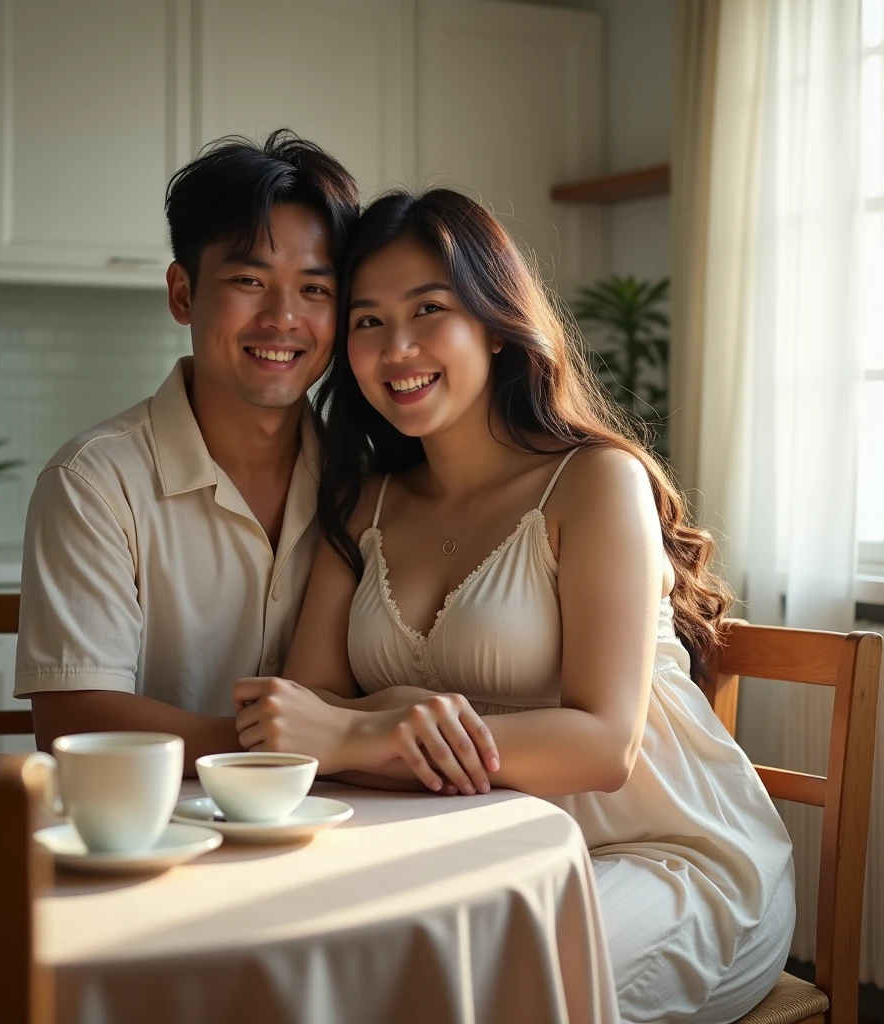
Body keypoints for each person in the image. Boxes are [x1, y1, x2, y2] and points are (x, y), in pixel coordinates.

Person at [232, 189, 796, 1023]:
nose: (399, 348)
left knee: (485, 992)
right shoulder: (366, 506)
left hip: (661, 858)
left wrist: (370, 725)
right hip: (478, 851)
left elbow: (603, 744)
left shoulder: (597, 483)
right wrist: (354, 721)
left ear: (496, 324)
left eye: (431, 310)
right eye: (369, 321)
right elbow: (300, 719)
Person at [14, 131, 359, 772]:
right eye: (250, 279)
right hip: (150, 834)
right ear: (182, 293)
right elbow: (73, 720)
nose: (283, 317)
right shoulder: (94, 481)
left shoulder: (365, 479)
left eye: (315, 289)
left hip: (339, 823)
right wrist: (308, 747)